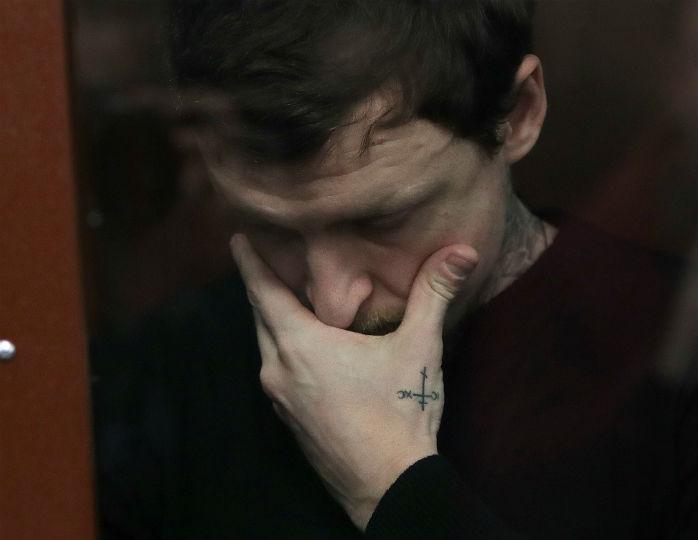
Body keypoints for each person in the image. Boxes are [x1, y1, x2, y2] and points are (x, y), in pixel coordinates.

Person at [92, 1, 696, 538]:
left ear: (517, 114)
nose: (333, 304)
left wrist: (394, 489)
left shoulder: (673, 366)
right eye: (273, 228)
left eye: (383, 223)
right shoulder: (154, 385)